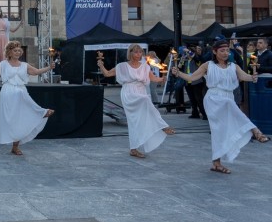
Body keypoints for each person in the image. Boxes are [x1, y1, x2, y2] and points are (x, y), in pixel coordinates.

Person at [172, 40, 269, 174]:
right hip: (214, 98)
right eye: (222, 51)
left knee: (219, 131)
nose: (225, 53)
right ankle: (255, 130)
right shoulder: (208, 65)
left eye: (227, 51)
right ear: (214, 51)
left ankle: (216, 163)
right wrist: (178, 73)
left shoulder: (233, 66)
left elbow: (244, 77)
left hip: (228, 97)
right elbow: (192, 77)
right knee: (229, 106)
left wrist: (253, 77)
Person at [0, 40, 55, 156]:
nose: (18, 52)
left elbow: (36, 72)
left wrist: (49, 68)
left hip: (21, 92)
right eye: (15, 50)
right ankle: (15, 146)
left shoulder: (24, 65)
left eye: (19, 50)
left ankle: (41, 112)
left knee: (21, 117)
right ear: (9, 52)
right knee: (12, 120)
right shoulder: (3, 64)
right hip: (7, 93)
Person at [97, 44, 175, 158]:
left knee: (136, 122)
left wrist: (161, 79)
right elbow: (107, 73)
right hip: (129, 93)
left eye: (140, 52)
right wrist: (101, 65)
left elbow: (153, 78)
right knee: (145, 101)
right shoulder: (122, 66)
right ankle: (162, 126)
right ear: (130, 53)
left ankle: (133, 149)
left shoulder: (145, 66)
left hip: (141, 91)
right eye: (136, 52)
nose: (139, 54)